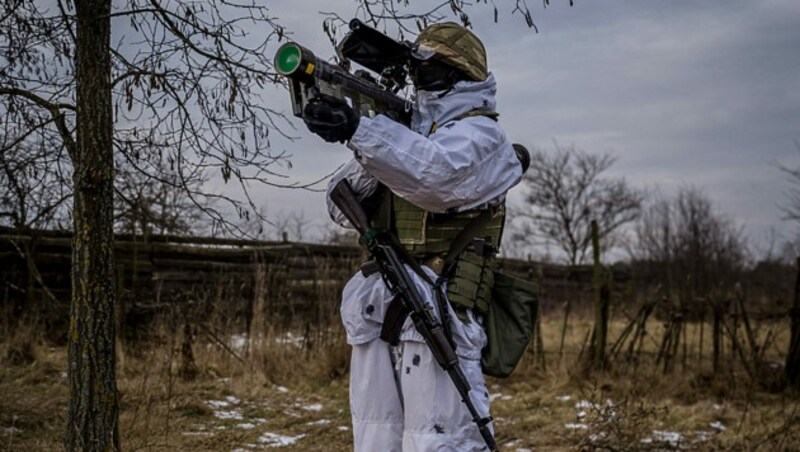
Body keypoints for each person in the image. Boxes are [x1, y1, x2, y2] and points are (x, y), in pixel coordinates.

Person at [302, 22, 526, 452]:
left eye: (431, 69)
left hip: (439, 314)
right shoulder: (405, 140)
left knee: (440, 441)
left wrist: (362, 130)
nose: (420, 80)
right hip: (381, 309)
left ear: (460, 75)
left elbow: (436, 179)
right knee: (376, 437)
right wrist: (365, 132)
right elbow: (338, 203)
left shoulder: (485, 137)